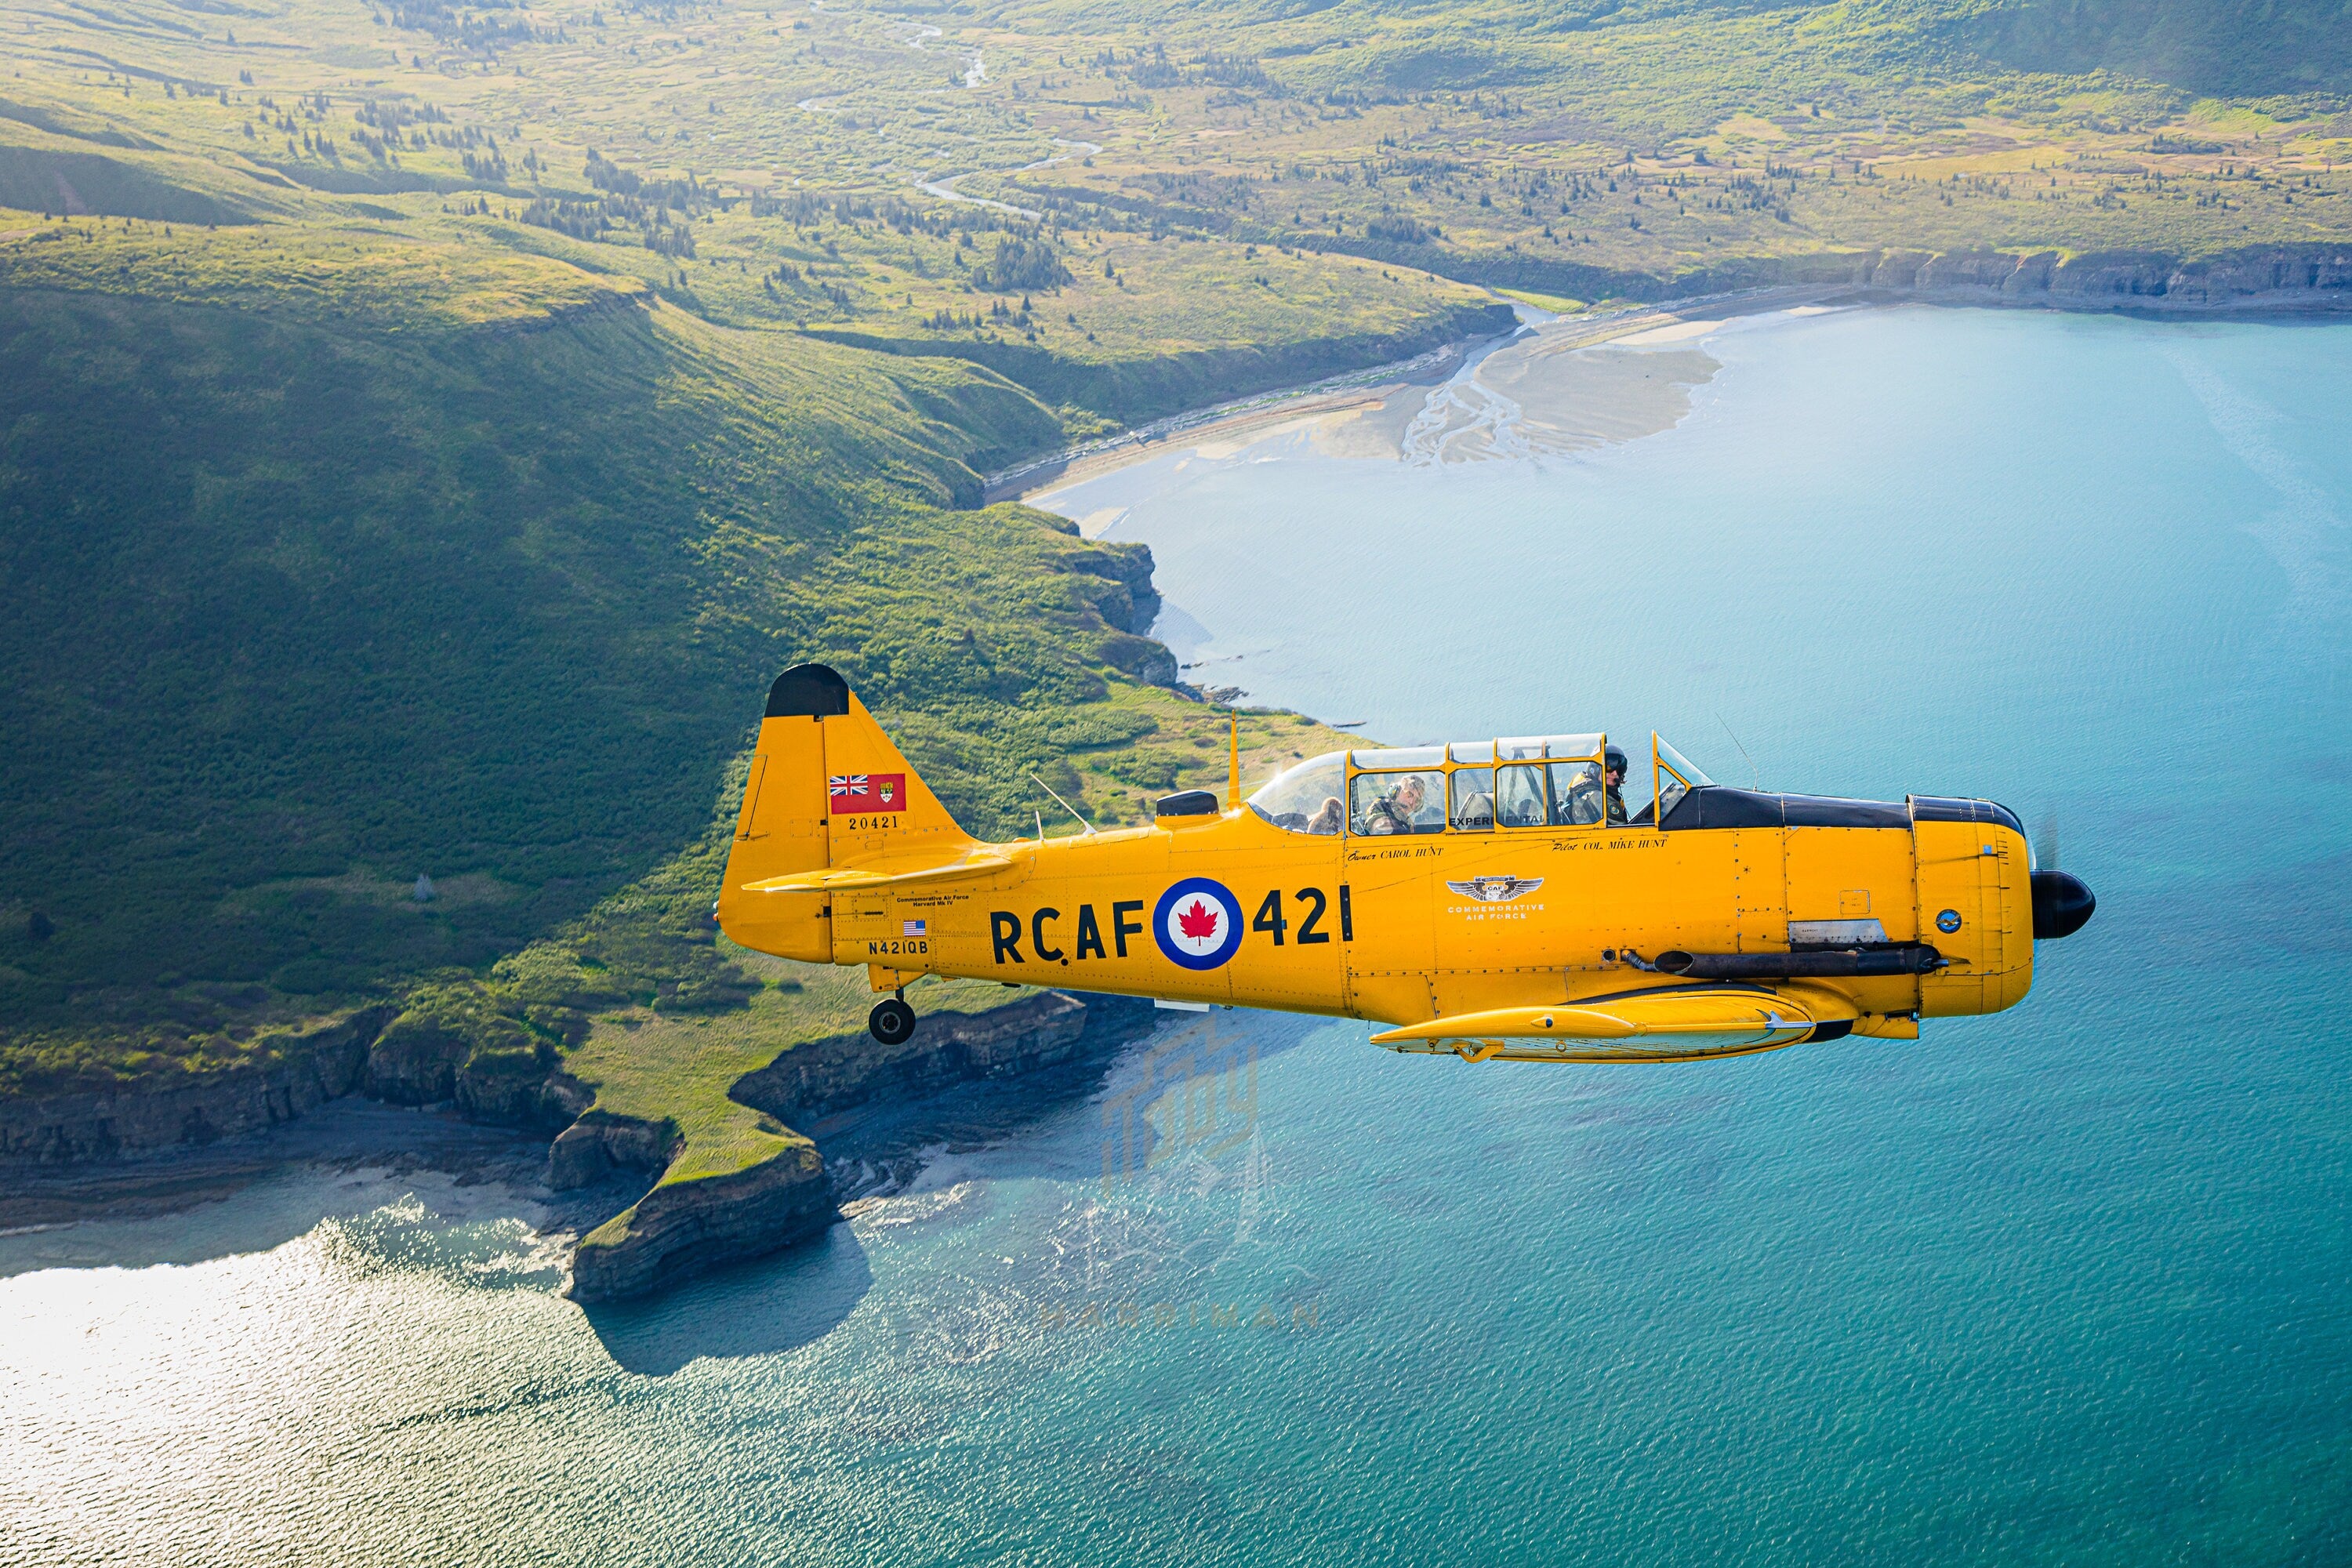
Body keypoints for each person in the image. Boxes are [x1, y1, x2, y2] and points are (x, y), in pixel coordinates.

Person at [1361, 774, 1428, 835]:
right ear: (1396, 791)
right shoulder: (1384, 821)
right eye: (1409, 794)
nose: (1411, 802)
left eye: (1417, 800)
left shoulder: (1402, 820)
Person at [1603, 746, 1632, 826]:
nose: (1614, 774)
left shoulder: (1609, 795)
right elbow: (1622, 833)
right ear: (1595, 769)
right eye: (1609, 768)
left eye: (1618, 769)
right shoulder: (1601, 799)